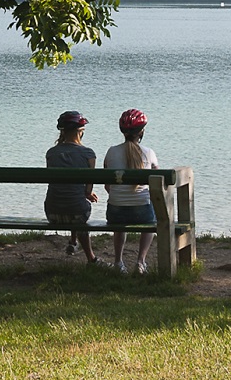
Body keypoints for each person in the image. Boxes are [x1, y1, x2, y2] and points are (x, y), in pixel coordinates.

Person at [104, 108, 158, 273]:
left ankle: (118, 262)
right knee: (152, 214)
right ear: (141, 131)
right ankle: (140, 262)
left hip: (115, 212)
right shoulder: (148, 153)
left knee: (119, 218)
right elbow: (157, 186)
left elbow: (107, 185)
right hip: (142, 211)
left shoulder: (112, 152)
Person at [45, 110, 99, 263]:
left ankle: (73, 242)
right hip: (77, 214)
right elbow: (87, 190)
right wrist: (88, 193)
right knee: (79, 206)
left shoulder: (51, 153)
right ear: (80, 131)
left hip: (52, 213)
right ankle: (91, 258)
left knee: (72, 200)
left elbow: (55, 181)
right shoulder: (88, 154)